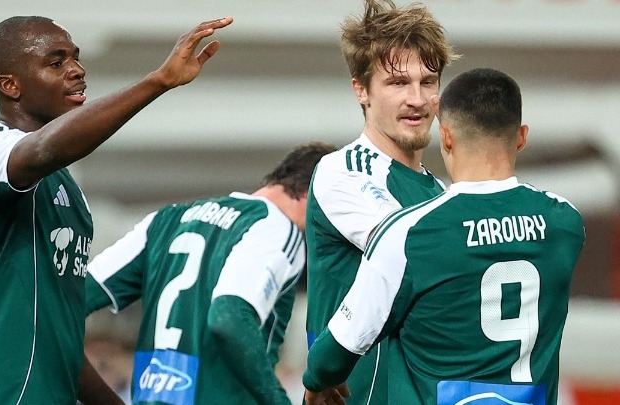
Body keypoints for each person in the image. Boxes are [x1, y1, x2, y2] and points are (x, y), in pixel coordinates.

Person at [0, 15, 233, 405]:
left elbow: (62, 346)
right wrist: (157, 81)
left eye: (75, 57)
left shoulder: (68, 193)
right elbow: (43, 149)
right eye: (56, 62)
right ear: (10, 85)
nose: (77, 69)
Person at [303, 68, 586, 405]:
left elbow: (335, 351)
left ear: (446, 137)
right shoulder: (565, 223)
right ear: (522, 137)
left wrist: (317, 379)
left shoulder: (410, 233)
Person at [84, 142, 336, 405]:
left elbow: (72, 298)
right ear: (313, 194)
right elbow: (228, 319)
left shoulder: (166, 219)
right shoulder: (277, 228)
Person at [304, 1, 458, 403]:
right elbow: (407, 249)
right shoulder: (344, 170)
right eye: (397, 83)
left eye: (428, 82)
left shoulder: (440, 192)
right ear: (361, 90)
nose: (417, 99)